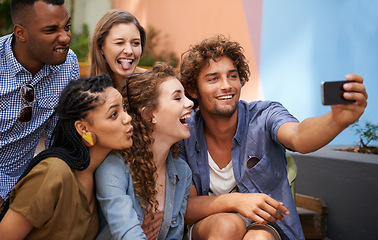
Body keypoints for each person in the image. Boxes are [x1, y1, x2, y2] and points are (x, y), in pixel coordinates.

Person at [179, 35, 368, 240]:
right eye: (213, 78)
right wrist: (235, 201)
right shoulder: (184, 132)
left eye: (232, 76)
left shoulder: (264, 115)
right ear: (192, 90)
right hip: (209, 225)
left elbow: (299, 136)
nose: (226, 86)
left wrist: (336, 120)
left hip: (265, 224)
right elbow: (183, 207)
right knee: (228, 224)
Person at [0, 74, 133, 239]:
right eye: (114, 114)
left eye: (124, 108)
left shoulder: (101, 174)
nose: (127, 118)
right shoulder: (53, 172)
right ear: (83, 129)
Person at [95, 62, 194, 240]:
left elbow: (174, 236)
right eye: (178, 98)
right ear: (149, 115)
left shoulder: (182, 173)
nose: (191, 103)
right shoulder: (114, 168)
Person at [0, 0, 80, 207]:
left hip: (27, 187)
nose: (65, 37)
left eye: (67, 27)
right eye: (51, 30)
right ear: (21, 33)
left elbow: (59, 137)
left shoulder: (68, 64)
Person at [90, 9, 147, 92]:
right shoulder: (88, 94)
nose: (129, 51)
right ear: (101, 46)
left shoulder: (156, 85)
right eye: (120, 43)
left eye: (135, 43)